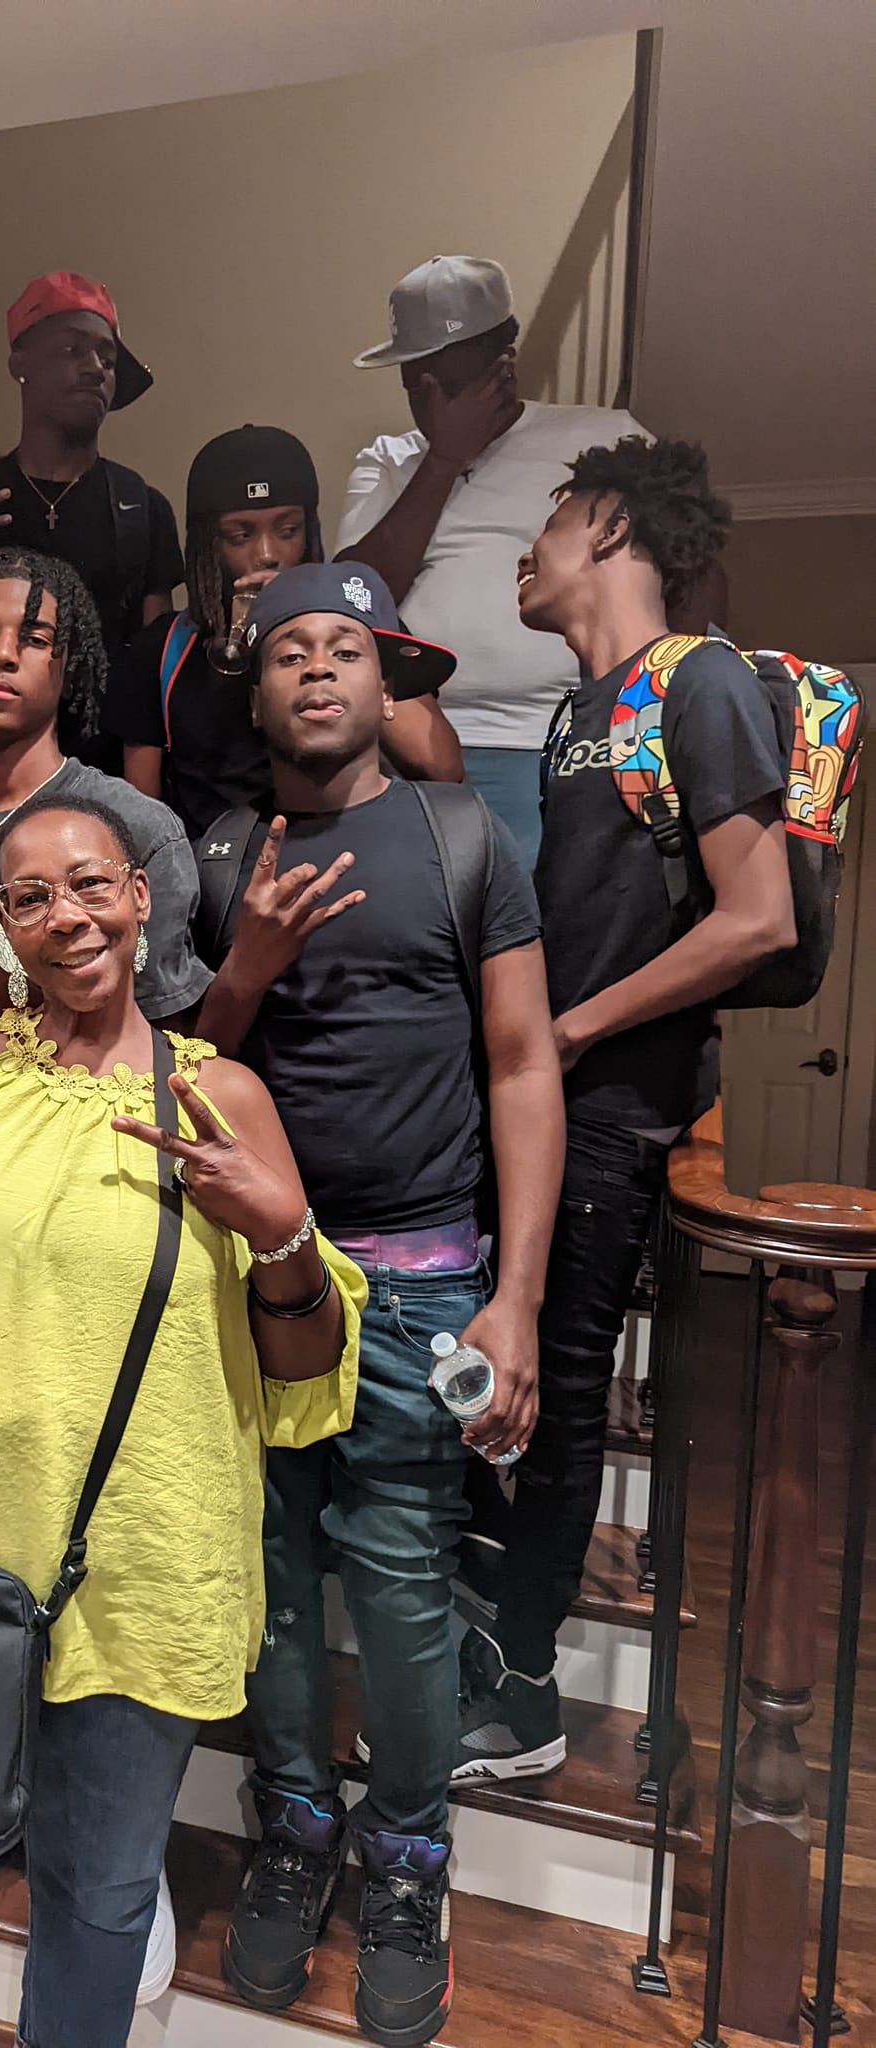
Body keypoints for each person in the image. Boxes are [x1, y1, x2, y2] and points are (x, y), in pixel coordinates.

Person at [0, 793, 365, 2048]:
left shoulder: (220, 1098)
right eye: (30, 895)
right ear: (2, 923)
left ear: (142, 895)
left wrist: (281, 1231)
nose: (67, 915)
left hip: (134, 1585)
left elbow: (302, 1371)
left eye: (92, 882)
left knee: (95, 1922)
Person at [194, 562, 564, 2047]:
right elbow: (187, 1069)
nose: (316, 669)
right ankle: (293, 1822)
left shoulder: (461, 835)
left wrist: (515, 1297)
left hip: (421, 1285)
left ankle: (409, 1855)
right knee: (273, 1576)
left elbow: (522, 1062)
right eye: (289, 649)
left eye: (343, 647)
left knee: (401, 1581)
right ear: (259, 690)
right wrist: (246, 965)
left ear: (382, 678)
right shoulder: (221, 854)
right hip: (257, 1273)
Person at [453, 438, 795, 1780]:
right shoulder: (575, 710)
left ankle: (527, 1695)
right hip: (548, 1096)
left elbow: (756, 919)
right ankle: (493, 1624)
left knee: (563, 1385)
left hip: (615, 1109)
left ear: (603, 528)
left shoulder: (698, 681)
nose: (523, 556)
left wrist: (573, 1027)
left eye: (544, 527)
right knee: (504, 1373)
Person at [335, 254, 647, 869]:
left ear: (505, 359)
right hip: (418, 750)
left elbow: (688, 577)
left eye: (449, 384)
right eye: (416, 383)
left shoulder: (603, 439)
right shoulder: (389, 460)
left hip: (570, 739)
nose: (430, 400)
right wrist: (444, 458)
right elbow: (357, 597)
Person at [0, 545, 212, 1063]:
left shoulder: (136, 827)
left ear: (68, 667)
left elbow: (167, 1046)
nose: (2, 654)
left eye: (35, 638)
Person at [107, 425, 463, 839]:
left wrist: (320, 625)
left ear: (309, 531)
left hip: (348, 852)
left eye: (287, 531)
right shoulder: (163, 649)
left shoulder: (358, 629)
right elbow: (144, 823)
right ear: (208, 544)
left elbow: (442, 767)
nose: (267, 554)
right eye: (241, 535)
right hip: (215, 867)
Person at [0, 271, 183, 774]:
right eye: (72, 350)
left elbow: (152, 689)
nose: (95, 368)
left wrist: (142, 807)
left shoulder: (140, 507)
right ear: (21, 364)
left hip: (102, 782)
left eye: (107, 359)